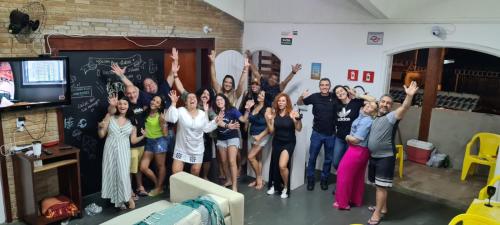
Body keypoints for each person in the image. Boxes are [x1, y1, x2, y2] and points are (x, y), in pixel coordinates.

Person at [366, 81, 418, 225]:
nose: (385, 104)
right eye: (382, 102)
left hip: (385, 158)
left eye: (388, 103)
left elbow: (404, 107)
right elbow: (369, 100)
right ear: (379, 103)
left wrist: (408, 97)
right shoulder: (376, 116)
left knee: (381, 187)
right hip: (374, 157)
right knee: (378, 185)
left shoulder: (392, 117)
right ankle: (383, 208)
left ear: (391, 106)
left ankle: (377, 214)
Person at [172, 60, 217, 180]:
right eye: (203, 93)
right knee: (177, 171)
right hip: (185, 141)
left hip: (203, 139)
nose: (205, 95)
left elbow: (211, 124)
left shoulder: (210, 109)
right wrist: (175, 74)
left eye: (208, 94)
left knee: (198, 168)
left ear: (209, 97)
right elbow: (181, 88)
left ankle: (204, 178)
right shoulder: (191, 100)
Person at [98, 94, 145, 210]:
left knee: (123, 175)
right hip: (109, 149)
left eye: (125, 103)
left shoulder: (132, 122)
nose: (122, 106)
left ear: (129, 106)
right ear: (117, 105)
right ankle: (118, 201)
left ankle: (128, 198)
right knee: (112, 173)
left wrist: (143, 136)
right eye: (120, 103)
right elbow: (101, 135)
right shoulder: (110, 116)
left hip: (124, 150)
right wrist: (100, 127)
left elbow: (133, 141)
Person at [166, 90, 225, 176]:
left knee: (195, 173)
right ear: (186, 102)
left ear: (197, 101)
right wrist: (173, 103)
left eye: (194, 97)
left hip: (197, 149)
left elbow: (206, 128)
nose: (192, 99)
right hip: (182, 148)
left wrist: (216, 121)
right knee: (176, 173)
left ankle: (190, 190)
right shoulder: (180, 110)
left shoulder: (202, 113)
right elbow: (171, 118)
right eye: (189, 97)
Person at [106, 85, 150, 198]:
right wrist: (112, 105)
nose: (132, 94)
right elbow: (111, 111)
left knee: (138, 167)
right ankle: (128, 191)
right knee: (129, 169)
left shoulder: (141, 103)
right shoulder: (124, 105)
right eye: (129, 93)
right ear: (126, 94)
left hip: (142, 143)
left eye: (134, 92)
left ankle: (139, 187)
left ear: (137, 92)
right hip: (130, 144)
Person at [333, 101, 378, 210]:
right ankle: (355, 200)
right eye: (368, 104)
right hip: (361, 151)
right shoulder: (363, 116)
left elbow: (356, 139)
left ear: (374, 112)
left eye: (372, 106)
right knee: (357, 176)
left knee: (343, 174)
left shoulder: (366, 121)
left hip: (357, 150)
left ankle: (342, 203)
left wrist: (347, 136)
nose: (368, 106)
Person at [297, 78, 337, 191]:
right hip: (317, 133)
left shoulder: (334, 97)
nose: (324, 87)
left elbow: (345, 100)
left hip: (331, 134)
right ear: (319, 86)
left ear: (329, 86)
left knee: (328, 159)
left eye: (326, 85)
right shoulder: (314, 97)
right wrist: (301, 96)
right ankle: (310, 179)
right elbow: (300, 103)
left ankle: (324, 180)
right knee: (312, 157)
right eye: (322, 85)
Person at [265, 93, 302, 199]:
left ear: (287, 103)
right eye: (279, 101)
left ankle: (285, 187)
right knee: (275, 165)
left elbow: (299, 129)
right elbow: (271, 131)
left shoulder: (292, 113)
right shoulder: (274, 113)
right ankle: (275, 186)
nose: (281, 103)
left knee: (282, 165)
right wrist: (269, 120)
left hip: (289, 142)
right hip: (277, 141)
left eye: (283, 101)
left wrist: (297, 120)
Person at [214, 93, 253, 191]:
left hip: (232, 137)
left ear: (225, 100)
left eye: (221, 99)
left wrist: (247, 111)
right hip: (221, 139)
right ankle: (229, 180)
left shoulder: (232, 110)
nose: (219, 101)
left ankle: (235, 185)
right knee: (223, 161)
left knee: (232, 161)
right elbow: (218, 122)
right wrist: (227, 125)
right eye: (217, 100)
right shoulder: (215, 111)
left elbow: (244, 120)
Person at [332, 85, 375, 170]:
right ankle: (342, 177)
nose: (340, 93)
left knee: (350, 164)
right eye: (337, 93)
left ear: (346, 91)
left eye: (341, 90)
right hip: (340, 137)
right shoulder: (335, 105)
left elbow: (373, 100)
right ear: (336, 96)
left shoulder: (356, 102)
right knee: (336, 163)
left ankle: (346, 180)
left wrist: (358, 95)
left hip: (353, 138)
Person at [140, 95, 168, 197]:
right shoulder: (146, 111)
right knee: (143, 167)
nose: (154, 102)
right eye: (153, 100)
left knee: (160, 166)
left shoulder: (160, 116)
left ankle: (159, 187)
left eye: (157, 102)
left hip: (160, 141)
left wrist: (164, 123)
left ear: (159, 106)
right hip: (149, 142)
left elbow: (165, 134)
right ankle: (158, 185)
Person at [246, 90, 270, 190]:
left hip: (261, 136)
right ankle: (258, 179)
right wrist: (248, 109)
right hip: (252, 134)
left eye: (262, 95)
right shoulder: (255, 106)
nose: (260, 95)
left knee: (250, 157)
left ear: (265, 97)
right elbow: (249, 119)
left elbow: (270, 127)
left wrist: (260, 135)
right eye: (259, 94)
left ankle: (259, 179)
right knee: (258, 158)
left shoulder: (267, 109)